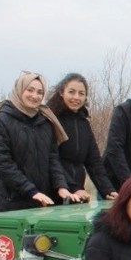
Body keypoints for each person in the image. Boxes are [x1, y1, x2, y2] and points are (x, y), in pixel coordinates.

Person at [0, 71, 73, 260]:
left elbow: (52, 159)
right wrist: (31, 190)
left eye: (39, 92)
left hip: (41, 204)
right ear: (19, 90)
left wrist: (61, 187)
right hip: (11, 204)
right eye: (30, 90)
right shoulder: (1, 121)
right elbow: (3, 163)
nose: (35, 96)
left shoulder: (44, 121)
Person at [46, 73, 116, 201]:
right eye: (71, 92)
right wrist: (73, 188)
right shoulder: (51, 119)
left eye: (81, 93)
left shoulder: (83, 123)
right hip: (54, 190)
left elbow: (94, 161)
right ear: (62, 92)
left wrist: (108, 190)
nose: (76, 97)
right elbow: (52, 160)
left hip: (78, 192)